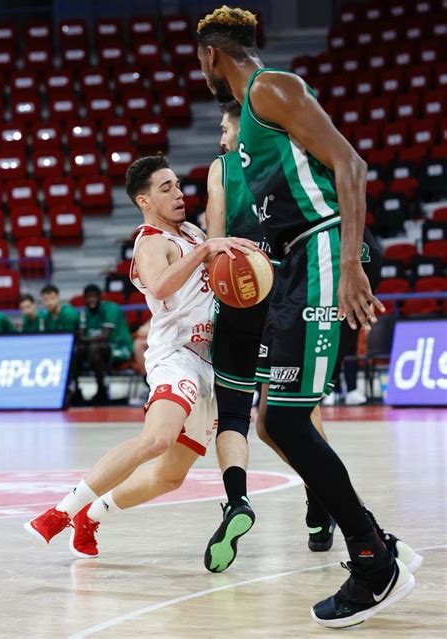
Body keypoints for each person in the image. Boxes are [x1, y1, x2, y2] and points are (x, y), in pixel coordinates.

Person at [197, 6, 421, 628]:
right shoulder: (247, 122)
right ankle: (373, 540)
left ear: (211, 55)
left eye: (201, 63)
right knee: (277, 425)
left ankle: (374, 560)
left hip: (325, 249)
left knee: (289, 421)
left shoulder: (271, 87)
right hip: (298, 263)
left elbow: (351, 164)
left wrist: (350, 263)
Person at [24, 155, 255, 560]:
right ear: (144, 201)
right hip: (175, 356)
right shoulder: (151, 240)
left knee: (169, 478)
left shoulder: (194, 234)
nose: (178, 193)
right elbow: (160, 286)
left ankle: (93, 515)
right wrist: (205, 253)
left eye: (178, 185)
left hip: (210, 361)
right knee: (156, 438)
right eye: (165, 188)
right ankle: (61, 512)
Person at [204, 100, 334, 574]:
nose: (221, 138)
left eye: (224, 127)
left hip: (239, 297)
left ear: (242, 125)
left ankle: (237, 501)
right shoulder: (287, 153)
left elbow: (214, 242)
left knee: (233, 413)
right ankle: (320, 507)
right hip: (288, 291)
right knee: (298, 410)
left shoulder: (220, 171)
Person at [78, 283, 134, 405]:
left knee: (95, 348)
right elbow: (80, 336)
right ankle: (76, 390)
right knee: (78, 349)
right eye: (88, 297)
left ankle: (102, 390)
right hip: (99, 349)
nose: (91, 299)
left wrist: (84, 339)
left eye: (94, 296)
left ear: (100, 297)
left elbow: (104, 336)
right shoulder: (84, 312)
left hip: (120, 347)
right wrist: (83, 340)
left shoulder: (111, 308)